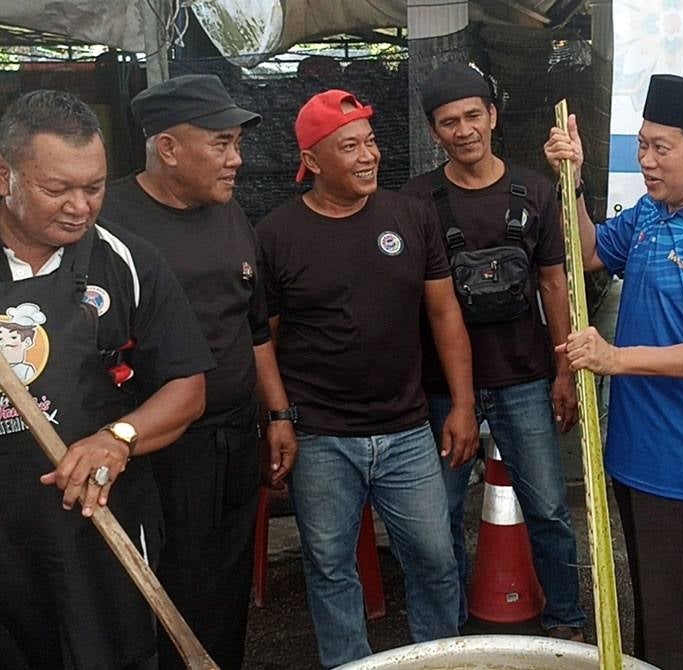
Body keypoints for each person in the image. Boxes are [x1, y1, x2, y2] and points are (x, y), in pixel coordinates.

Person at [545, 74, 683, 669]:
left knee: (679, 614)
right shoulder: (650, 212)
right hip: (635, 447)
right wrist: (576, 178)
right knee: (647, 604)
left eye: (661, 148)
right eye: (641, 145)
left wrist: (614, 358)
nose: (645, 160)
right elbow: (590, 251)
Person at [256, 89, 478, 667]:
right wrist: (278, 417)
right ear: (312, 160)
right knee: (330, 566)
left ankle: (439, 658)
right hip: (322, 436)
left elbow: (444, 313)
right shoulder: (278, 233)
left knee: (435, 558)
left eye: (371, 142)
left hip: (407, 431)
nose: (368, 156)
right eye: (349, 146)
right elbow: (264, 340)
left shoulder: (410, 215)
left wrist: (461, 404)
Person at [0, 90, 212, 669]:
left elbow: (186, 388)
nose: (80, 206)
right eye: (56, 189)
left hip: (99, 524)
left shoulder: (125, 260)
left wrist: (116, 439)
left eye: (93, 187)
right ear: (4, 177)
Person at [99, 74, 297, 670]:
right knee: (160, 586)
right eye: (221, 143)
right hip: (158, 451)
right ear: (167, 148)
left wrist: (279, 414)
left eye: (237, 143)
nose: (237, 160)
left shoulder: (230, 212)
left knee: (225, 585)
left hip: (234, 437)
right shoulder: (106, 220)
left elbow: (254, 326)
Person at [401, 62, 585, 639]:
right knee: (441, 516)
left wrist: (563, 370)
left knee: (550, 508)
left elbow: (555, 283)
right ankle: (448, 633)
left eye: (472, 116)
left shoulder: (535, 190)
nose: (463, 130)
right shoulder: (416, 200)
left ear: (493, 117)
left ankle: (565, 619)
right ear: (434, 132)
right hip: (442, 389)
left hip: (525, 376)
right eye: (448, 122)